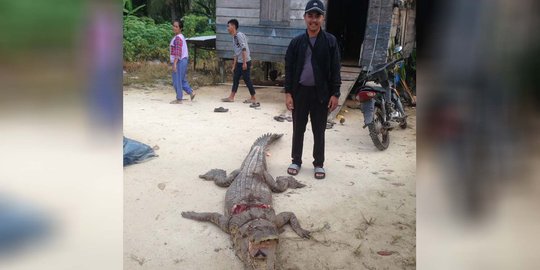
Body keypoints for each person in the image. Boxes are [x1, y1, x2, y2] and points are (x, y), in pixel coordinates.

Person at [284, 0, 341, 179]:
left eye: (317, 16)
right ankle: (296, 160)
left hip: (321, 94)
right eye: (310, 16)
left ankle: (319, 163)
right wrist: (288, 93)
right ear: (305, 18)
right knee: (298, 128)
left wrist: (335, 93)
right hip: (300, 92)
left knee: (319, 129)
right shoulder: (296, 42)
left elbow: (335, 68)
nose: (313, 20)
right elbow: (289, 68)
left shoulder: (330, 42)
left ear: (323, 18)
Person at [221, 19, 258, 105]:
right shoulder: (234, 38)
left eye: (228, 26)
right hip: (239, 62)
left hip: (245, 61)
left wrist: (245, 63)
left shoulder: (239, 35)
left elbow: (244, 49)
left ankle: (253, 97)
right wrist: (234, 65)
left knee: (247, 79)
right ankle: (231, 97)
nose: (227, 28)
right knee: (235, 79)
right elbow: (236, 53)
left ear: (233, 26)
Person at [169, 19, 195, 104]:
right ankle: (191, 92)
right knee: (182, 80)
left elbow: (178, 52)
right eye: (174, 26)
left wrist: (175, 63)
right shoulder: (181, 37)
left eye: (176, 26)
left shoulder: (178, 38)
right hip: (183, 60)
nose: (174, 28)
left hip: (179, 61)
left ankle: (179, 99)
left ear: (180, 28)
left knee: (177, 80)